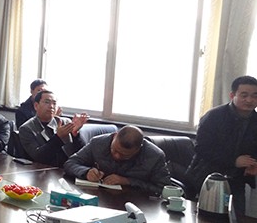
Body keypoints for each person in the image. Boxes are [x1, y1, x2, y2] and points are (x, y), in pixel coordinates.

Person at [185, 75, 257, 211]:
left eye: (255, 96)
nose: (249, 100)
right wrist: (234, 161)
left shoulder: (255, 121)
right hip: (206, 177)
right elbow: (202, 148)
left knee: (236, 219)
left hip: (236, 180)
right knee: (203, 218)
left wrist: (253, 163)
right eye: (244, 95)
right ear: (232, 95)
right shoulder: (214, 116)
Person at [63, 125, 170, 196]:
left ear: (138, 149)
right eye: (114, 150)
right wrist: (86, 172)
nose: (117, 156)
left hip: (137, 204)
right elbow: (70, 163)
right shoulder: (98, 143)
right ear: (114, 136)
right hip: (100, 198)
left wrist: (128, 181)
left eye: (125, 155)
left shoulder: (154, 156)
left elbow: (163, 189)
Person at [19, 90, 87, 166]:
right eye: (47, 102)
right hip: (47, 169)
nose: (51, 106)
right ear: (36, 106)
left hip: (72, 166)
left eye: (54, 103)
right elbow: (38, 157)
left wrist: (76, 135)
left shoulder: (66, 122)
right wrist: (58, 137)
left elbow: (84, 153)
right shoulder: (26, 129)